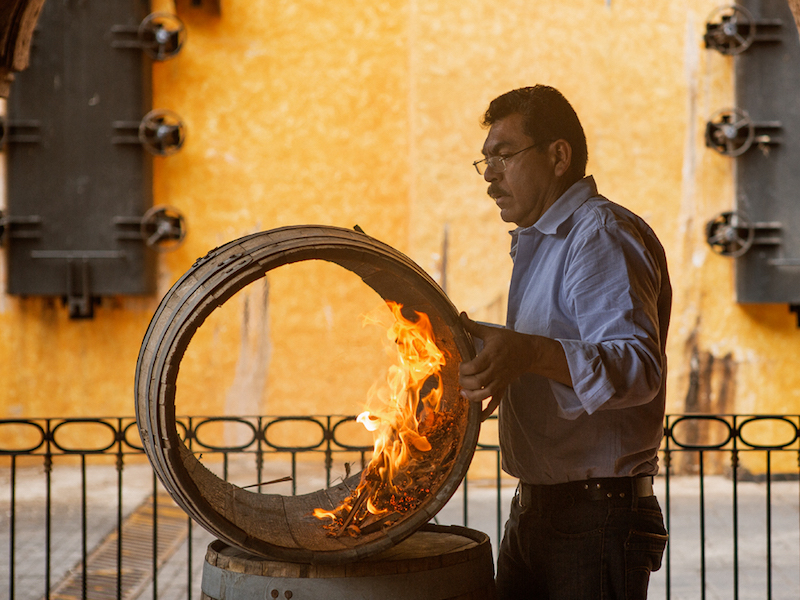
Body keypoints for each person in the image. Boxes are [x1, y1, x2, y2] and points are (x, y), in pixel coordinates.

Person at [458, 85, 671, 599]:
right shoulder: (543, 241)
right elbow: (552, 357)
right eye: (483, 160)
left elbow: (638, 366)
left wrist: (525, 352)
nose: (489, 175)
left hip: (595, 520)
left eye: (503, 155)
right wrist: (499, 364)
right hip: (540, 512)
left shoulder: (598, 232)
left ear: (558, 155)